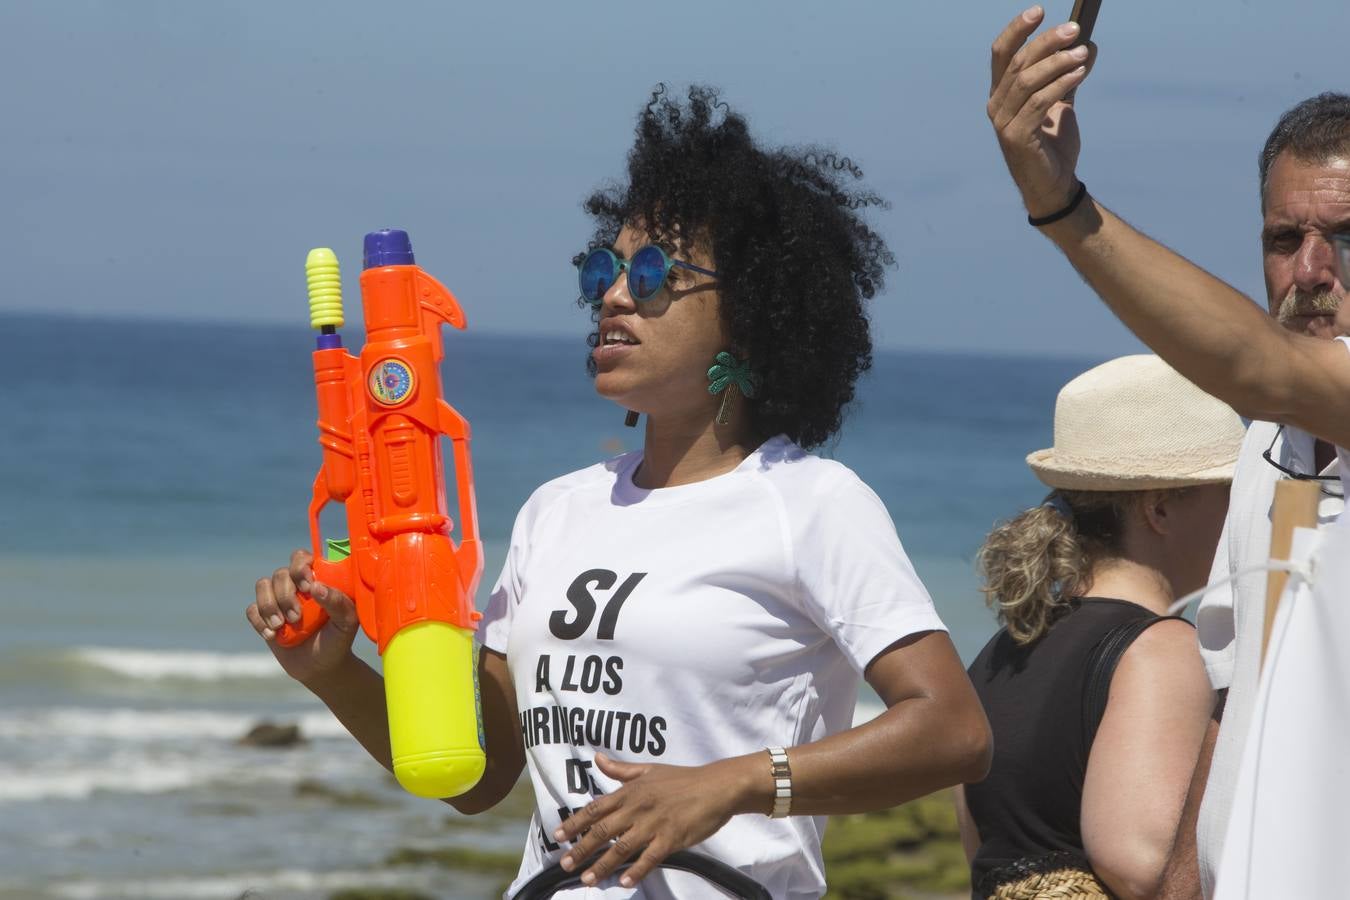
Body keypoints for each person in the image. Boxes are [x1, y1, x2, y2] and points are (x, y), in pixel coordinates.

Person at [247, 85, 993, 899]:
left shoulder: (811, 503)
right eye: (605, 269)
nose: (611, 295)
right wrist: (332, 673)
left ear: (750, 313)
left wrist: (730, 784)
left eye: (651, 275)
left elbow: (953, 731)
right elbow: (479, 777)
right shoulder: (555, 511)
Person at [984, 9, 1349, 896]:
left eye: (1345, 236)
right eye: (1281, 239)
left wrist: (1061, 203)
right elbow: (1231, 705)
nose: (1309, 272)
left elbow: (1253, 362)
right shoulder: (1264, 446)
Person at [955, 355, 1243, 900]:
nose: (1241, 513)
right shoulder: (1162, 650)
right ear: (1159, 509)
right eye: (1226, 492)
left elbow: (982, 848)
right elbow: (1143, 862)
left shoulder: (999, 653)